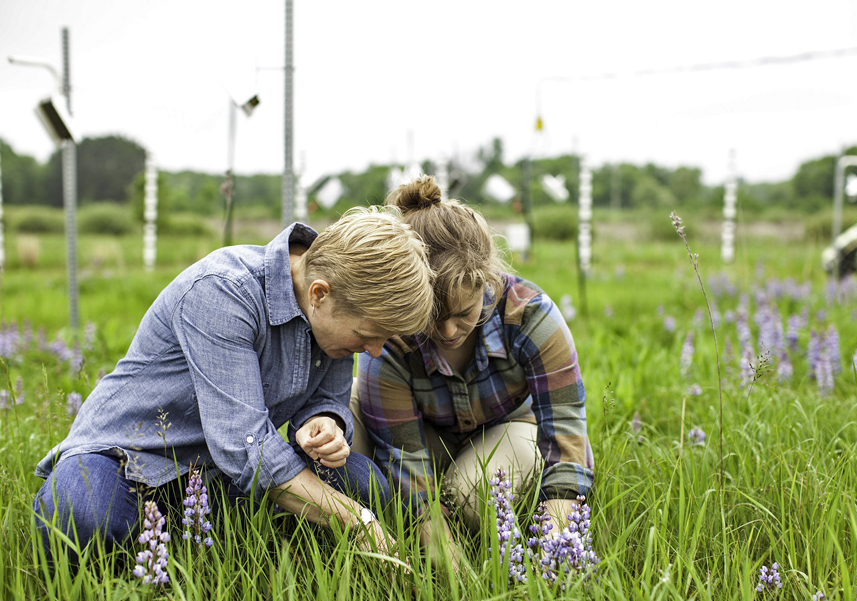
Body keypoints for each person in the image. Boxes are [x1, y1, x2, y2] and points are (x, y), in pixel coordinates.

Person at [33, 209, 435, 558]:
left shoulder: (335, 308)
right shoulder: (222, 291)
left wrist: (325, 421)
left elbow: (325, 398)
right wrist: (356, 521)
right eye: (370, 334)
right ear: (319, 294)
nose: (376, 351)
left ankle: (205, 538)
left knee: (365, 485)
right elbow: (246, 449)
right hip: (130, 456)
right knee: (81, 516)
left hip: (212, 474)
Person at [352, 176, 594, 569]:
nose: (448, 332)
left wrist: (558, 530)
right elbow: (406, 460)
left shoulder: (530, 315)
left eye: (464, 314)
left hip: (507, 431)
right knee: (347, 422)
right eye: (433, 316)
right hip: (423, 437)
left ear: (485, 281)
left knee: (475, 498)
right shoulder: (393, 335)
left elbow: (567, 437)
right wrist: (436, 542)